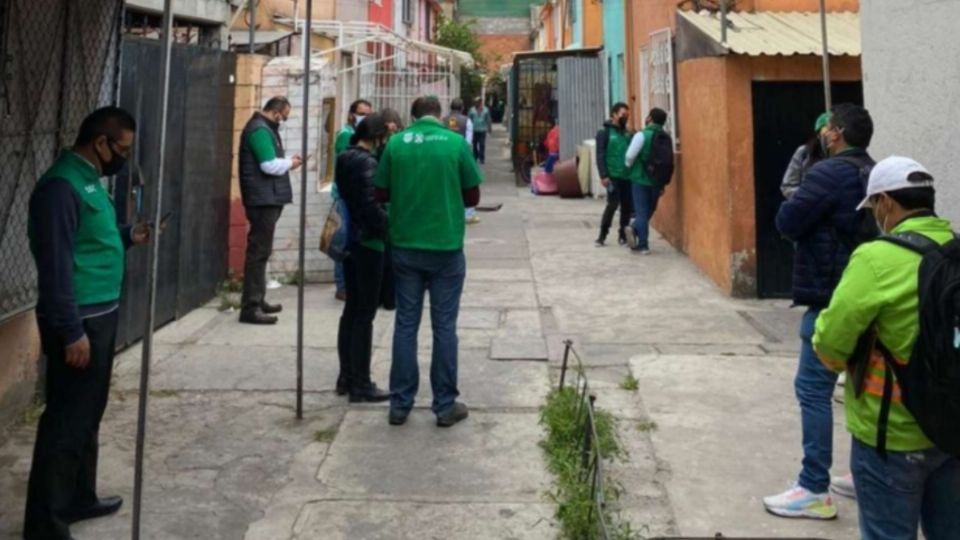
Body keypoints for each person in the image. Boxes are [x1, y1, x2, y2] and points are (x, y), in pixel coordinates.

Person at [813, 156, 960, 539]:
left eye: (874, 206)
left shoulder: (877, 258)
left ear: (886, 203)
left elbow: (830, 342)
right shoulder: (955, 250)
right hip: (952, 429)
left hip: (890, 435)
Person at [24, 107, 150, 540]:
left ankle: (80, 496)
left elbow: (92, 235)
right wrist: (71, 330)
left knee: (88, 414)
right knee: (65, 421)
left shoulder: (89, 179)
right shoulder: (60, 187)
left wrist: (127, 234)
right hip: (79, 320)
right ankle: (46, 524)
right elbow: (56, 266)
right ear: (100, 142)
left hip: (101, 312)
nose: (124, 158)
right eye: (122, 149)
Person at [765, 104, 876, 519]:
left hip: (830, 295)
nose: (825, 133)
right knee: (862, 386)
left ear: (838, 133)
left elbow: (788, 221)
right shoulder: (875, 172)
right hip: (870, 294)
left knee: (813, 389)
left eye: (829, 127)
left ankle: (814, 487)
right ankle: (864, 474)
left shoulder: (827, 173)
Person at [375, 96, 483, 428]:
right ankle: (445, 405)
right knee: (444, 327)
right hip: (446, 247)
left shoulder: (395, 144)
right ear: (439, 115)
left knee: (406, 325)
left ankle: (400, 404)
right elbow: (473, 196)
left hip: (405, 245)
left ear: (413, 115)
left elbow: (381, 193)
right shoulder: (454, 144)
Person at [335, 113, 391, 403]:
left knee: (351, 312)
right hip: (367, 242)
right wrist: (389, 228)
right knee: (365, 315)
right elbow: (371, 205)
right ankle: (361, 382)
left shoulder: (345, 156)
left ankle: (345, 376)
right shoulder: (367, 163)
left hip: (349, 241)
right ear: (378, 136)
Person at [238, 96, 303, 325]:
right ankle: (251, 307)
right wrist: (290, 164)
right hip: (262, 200)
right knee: (258, 253)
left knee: (262, 252)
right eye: (283, 117)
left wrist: (286, 160)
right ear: (276, 112)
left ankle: (258, 299)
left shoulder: (264, 130)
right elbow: (268, 165)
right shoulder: (259, 130)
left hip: (266, 197)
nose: (283, 121)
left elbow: (271, 160)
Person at [333, 99, 374, 302]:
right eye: (361, 113)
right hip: (344, 196)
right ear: (351, 114)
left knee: (351, 239)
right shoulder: (346, 135)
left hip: (354, 195)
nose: (364, 118)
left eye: (368, 114)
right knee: (343, 239)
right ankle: (341, 285)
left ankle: (348, 283)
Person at [623, 108, 670, 254]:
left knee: (641, 212)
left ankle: (643, 244)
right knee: (649, 210)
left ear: (650, 118)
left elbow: (630, 156)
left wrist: (628, 166)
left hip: (641, 179)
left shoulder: (642, 135)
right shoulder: (666, 137)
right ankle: (634, 229)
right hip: (657, 181)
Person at [594, 102, 633, 247]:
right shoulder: (604, 132)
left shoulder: (627, 133)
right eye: (623, 114)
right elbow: (600, 154)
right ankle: (602, 235)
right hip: (612, 175)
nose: (625, 117)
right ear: (614, 114)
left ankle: (622, 235)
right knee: (613, 204)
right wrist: (603, 175)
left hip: (627, 175)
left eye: (627, 115)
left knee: (627, 207)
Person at [444, 98, 480, 225]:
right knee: (466, 183)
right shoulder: (467, 121)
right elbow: (468, 142)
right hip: (460, 155)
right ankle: (468, 214)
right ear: (462, 108)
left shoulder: (443, 120)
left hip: (444, 156)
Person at [782, 112, 830, 199]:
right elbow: (788, 186)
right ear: (818, 135)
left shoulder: (843, 153)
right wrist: (807, 197)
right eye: (826, 134)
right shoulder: (804, 152)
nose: (831, 139)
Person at [468, 97, 492, 164]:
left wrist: (489, 128)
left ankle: (482, 158)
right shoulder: (472, 110)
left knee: (482, 144)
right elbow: (469, 119)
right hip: (474, 130)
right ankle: (475, 156)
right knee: (474, 144)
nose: (476, 103)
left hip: (482, 130)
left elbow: (488, 119)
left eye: (478, 102)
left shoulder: (486, 110)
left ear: (481, 102)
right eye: (475, 102)